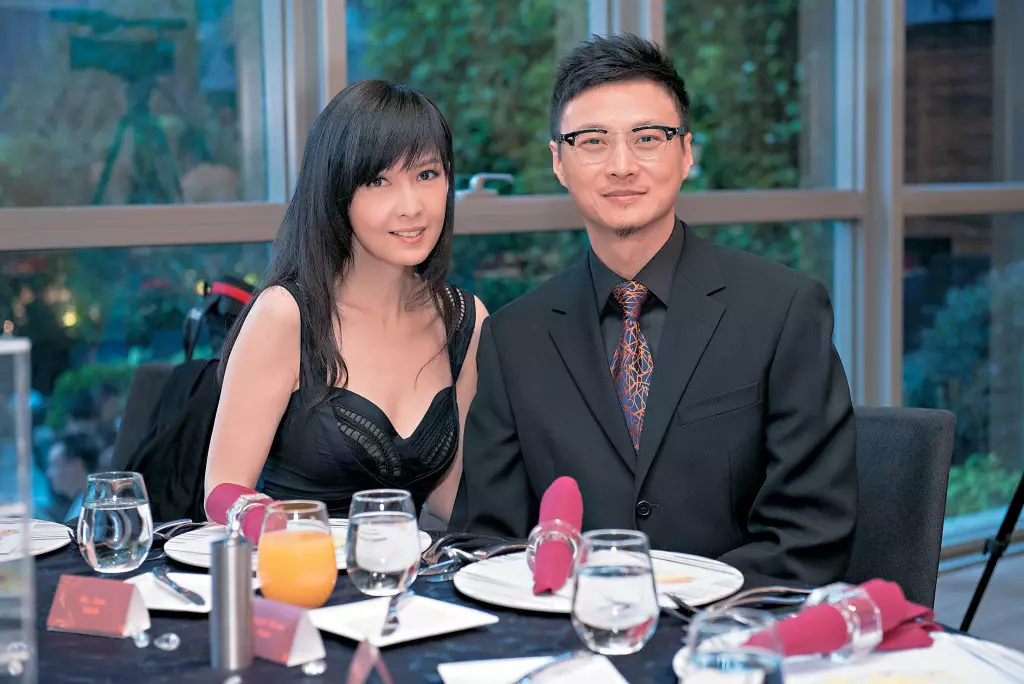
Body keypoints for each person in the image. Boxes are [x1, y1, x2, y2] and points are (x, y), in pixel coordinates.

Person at [449, 34, 857, 586]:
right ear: (559, 162)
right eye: (592, 141)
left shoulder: (783, 310)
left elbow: (809, 535)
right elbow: (491, 544)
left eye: (647, 139)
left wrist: (668, 603)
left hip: (732, 623)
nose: (621, 166)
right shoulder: (513, 338)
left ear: (686, 153)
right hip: (567, 627)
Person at [205, 80, 487, 522]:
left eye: (427, 175)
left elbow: (452, 501)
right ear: (336, 193)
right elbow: (222, 490)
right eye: (378, 181)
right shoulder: (286, 314)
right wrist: (284, 537)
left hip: (407, 564)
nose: (411, 206)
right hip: (296, 559)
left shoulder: (462, 319)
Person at [46, 432, 102, 522]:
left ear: (76, 466)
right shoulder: (83, 500)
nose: (49, 473)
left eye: (55, 465)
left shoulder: (94, 506)